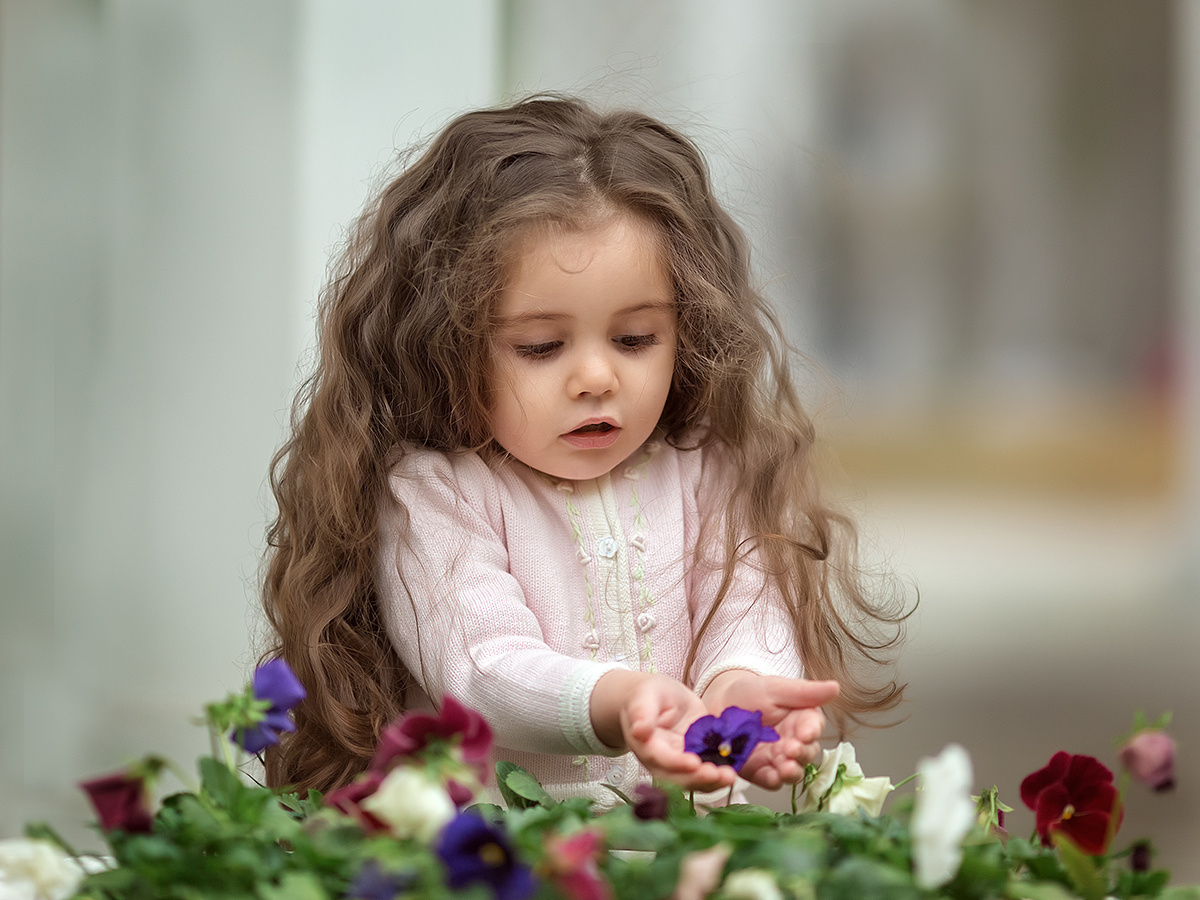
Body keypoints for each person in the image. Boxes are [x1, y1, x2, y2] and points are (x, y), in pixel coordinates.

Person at [260, 95, 906, 806]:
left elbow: (747, 609)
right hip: (499, 858)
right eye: (541, 346)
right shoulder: (434, 491)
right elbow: (480, 666)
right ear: (445, 346)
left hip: (673, 847)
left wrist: (738, 687)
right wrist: (618, 702)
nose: (597, 378)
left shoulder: (705, 467)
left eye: (634, 339)